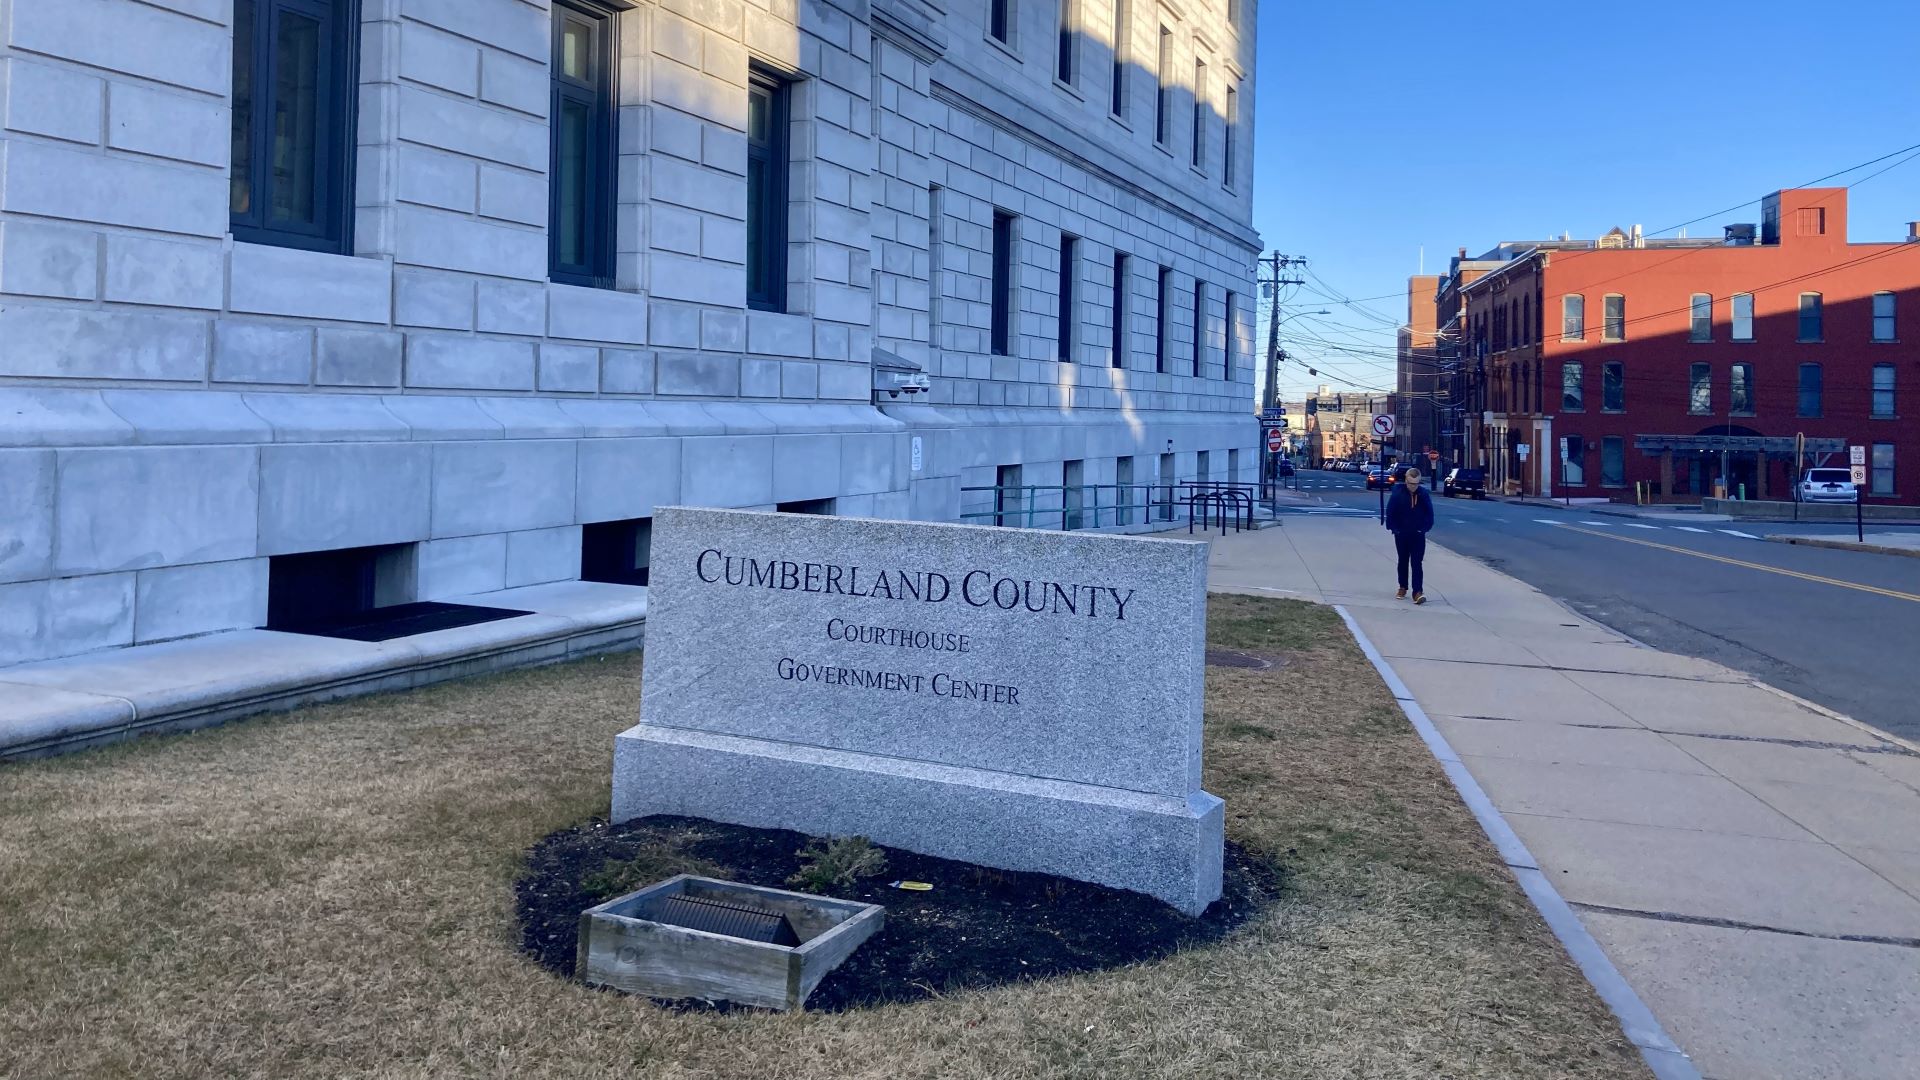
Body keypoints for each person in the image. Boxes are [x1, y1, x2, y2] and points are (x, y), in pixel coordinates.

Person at [1383, 466, 1435, 603]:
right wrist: (1394, 529)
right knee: (1403, 560)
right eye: (1411, 484)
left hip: (1417, 534)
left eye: (1416, 484)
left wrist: (1423, 529)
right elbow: (1390, 512)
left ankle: (1417, 592)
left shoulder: (1423, 494)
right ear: (1406, 481)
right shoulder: (1398, 493)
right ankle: (1402, 586)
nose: (1413, 487)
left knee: (1417, 562)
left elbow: (1429, 514)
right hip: (1401, 533)